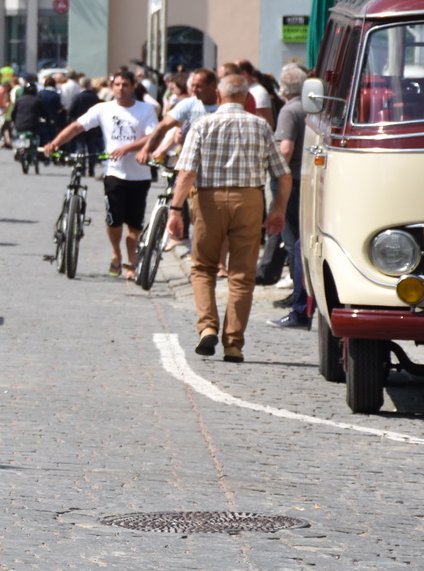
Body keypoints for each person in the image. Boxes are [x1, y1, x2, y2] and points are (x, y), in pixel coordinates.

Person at [166, 73, 291, 363]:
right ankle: (233, 343)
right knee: (242, 275)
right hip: (249, 199)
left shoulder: (202, 124)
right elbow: (283, 174)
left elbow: (186, 172)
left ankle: (207, 327)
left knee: (203, 268)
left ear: (219, 96)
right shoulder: (260, 125)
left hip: (209, 199)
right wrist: (279, 210)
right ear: (247, 98)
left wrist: (175, 210)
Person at [45, 70, 159, 276]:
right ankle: (116, 254)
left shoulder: (145, 110)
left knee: (134, 224)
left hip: (139, 174)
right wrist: (55, 143)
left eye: (125, 85)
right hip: (114, 172)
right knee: (113, 220)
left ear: (133, 87)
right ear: (111, 86)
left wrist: (127, 148)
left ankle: (132, 263)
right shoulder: (103, 108)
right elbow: (77, 127)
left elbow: (152, 138)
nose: (120, 88)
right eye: (117, 84)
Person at [268, 63, 314, 329]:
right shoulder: (311, 106)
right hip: (308, 180)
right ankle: (303, 303)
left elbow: (285, 149)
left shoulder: (290, 110)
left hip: (291, 182)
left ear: (283, 88)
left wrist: (271, 172)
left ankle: (299, 309)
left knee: (295, 245)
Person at [137, 68, 219, 165]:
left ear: (212, 85)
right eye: (192, 86)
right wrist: (146, 149)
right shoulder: (189, 104)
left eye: (199, 86)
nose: (194, 90)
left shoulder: (224, 104)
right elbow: (163, 126)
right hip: (193, 160)